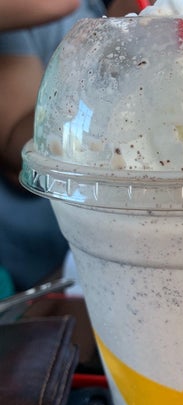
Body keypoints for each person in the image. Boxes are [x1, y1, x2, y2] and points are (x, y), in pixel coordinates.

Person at [0, 0, 138, 292]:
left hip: (108, 250)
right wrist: (109, 45)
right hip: (40, 271)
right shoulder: (38, 16)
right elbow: (19, 156)